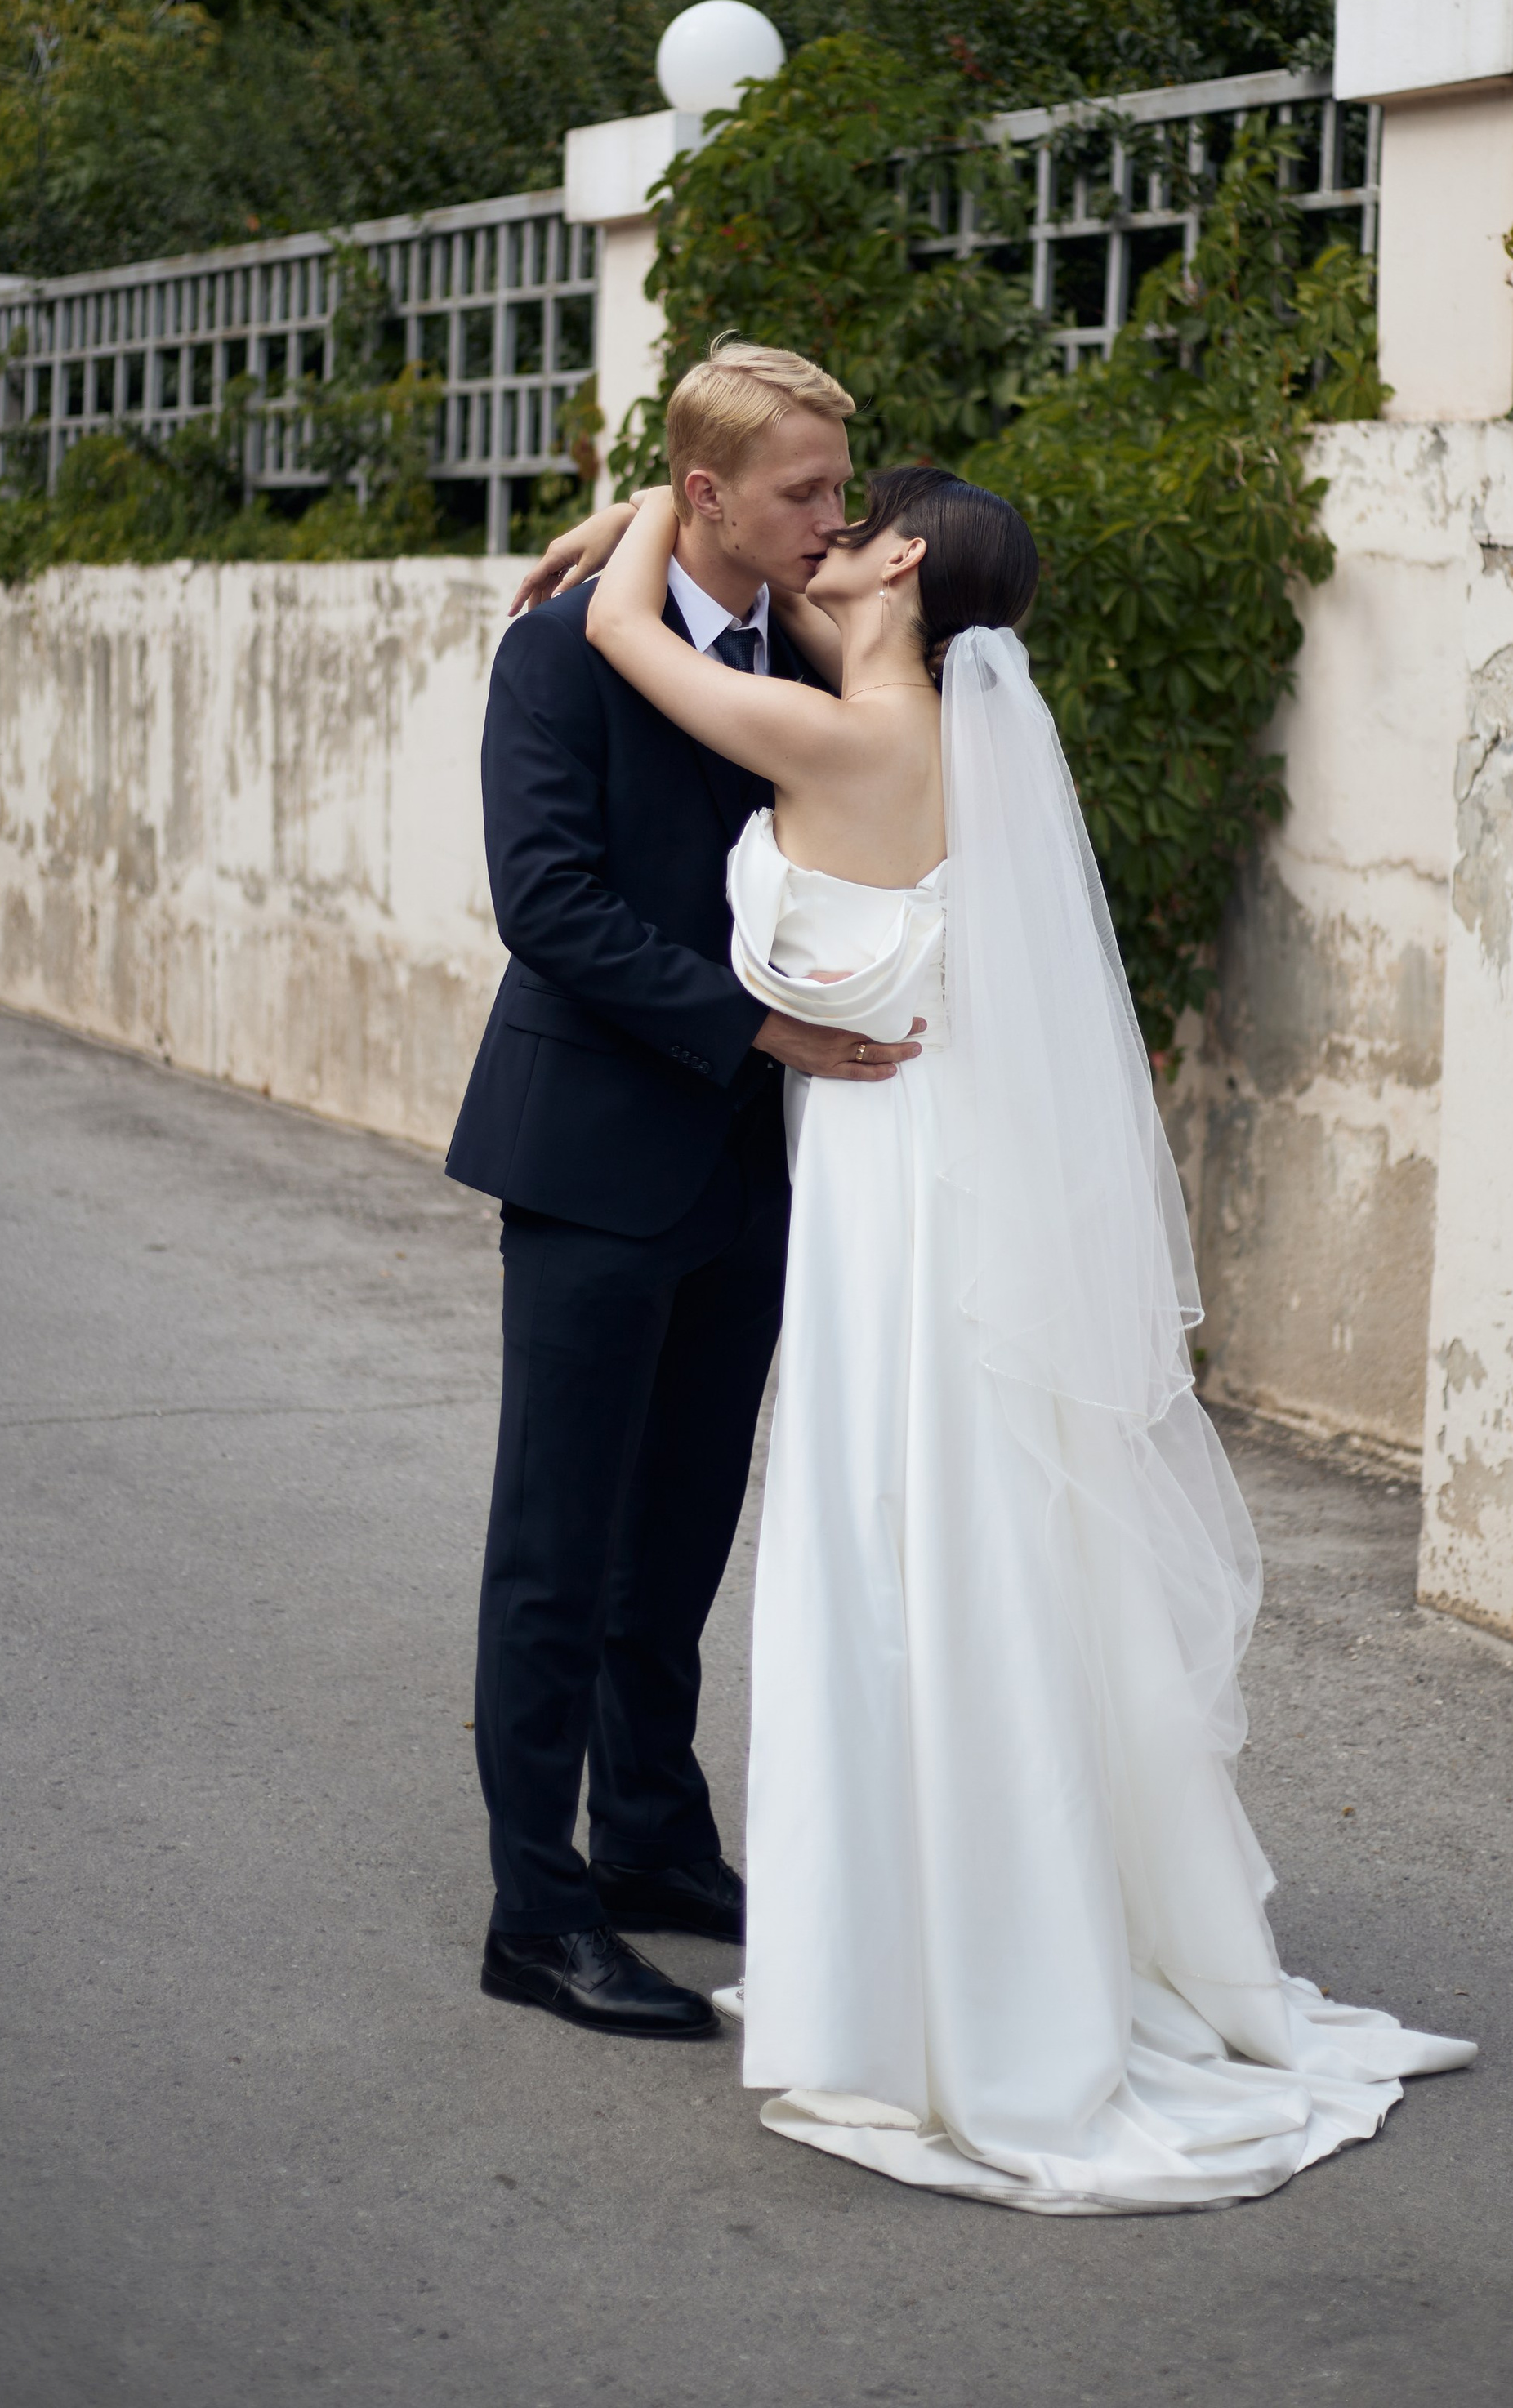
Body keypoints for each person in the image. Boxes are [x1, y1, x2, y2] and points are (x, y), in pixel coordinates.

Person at [580, 460, 1477, 2213]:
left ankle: (940, 1976)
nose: (821, 541)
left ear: (902, 557)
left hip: (887, 1192)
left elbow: (624, 628)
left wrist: (639, 505)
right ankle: (962, 1930)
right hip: (905, 1165)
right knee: (950, 1537)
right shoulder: (908, 726)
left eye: (851, 522)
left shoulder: (856, 734)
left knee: (897, 1539)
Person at [445, 343, 924, 2044]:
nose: (831, 518)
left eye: (837, 486)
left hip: (743, 1169)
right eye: (801, 490)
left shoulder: (789, 645)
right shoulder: (557, 653)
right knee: (556, 1553)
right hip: (590, 1157)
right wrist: (756, 1027)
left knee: (679, 1539)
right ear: (706, 496)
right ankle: (535, 1909)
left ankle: (651, 1839)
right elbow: (546, 903)